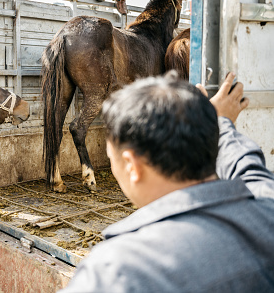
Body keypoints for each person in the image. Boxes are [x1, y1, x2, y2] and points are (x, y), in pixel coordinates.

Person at [59, 71, 274, 292]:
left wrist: (219, 121)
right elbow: (249, 168)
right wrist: (219, 122)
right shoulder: (267, 206)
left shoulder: (115, 271)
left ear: (132, 165)